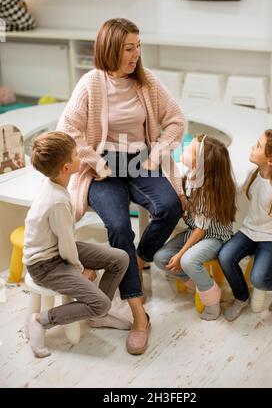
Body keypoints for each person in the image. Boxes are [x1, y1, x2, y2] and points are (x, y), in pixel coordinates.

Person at [57, 18, 185, 355]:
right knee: (118, 227)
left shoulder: (146, 81)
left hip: (141, 160)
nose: (136, 54)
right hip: (103, 167)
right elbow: (67, 129)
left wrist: (157, 154)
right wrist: (96, 163)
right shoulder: (90, 84)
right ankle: (138, 313)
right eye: (129, 48)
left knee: (170, 207)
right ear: (111, 48)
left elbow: (176, 120)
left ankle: (139, 257)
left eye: (138, 46)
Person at [23, 132, 130, 358]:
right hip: (45, 264)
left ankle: (96, 315)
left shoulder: (56, 185)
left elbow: (66, 241)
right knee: (101, 303)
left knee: (120, 258)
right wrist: (79, 270)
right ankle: (41, 320)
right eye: (75, 155)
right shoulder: (57, 201)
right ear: (65, 168)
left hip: (57, 250)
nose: (80, 156)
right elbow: (66, 246)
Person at [219, 129, 272, 321]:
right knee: (225, 256)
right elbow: (240, 190)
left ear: (270, 160)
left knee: (259, 279)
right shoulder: (253, 174)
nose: (252, 147)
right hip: (249, 231)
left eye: (257, 145)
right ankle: (241, 296)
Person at [154, 134, 236, 320]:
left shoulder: (207, 190)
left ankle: (212, 302)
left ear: (200, 164)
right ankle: (205, 285)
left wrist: (181, 253)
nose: (184, 148)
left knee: (187, 261)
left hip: (213, 237)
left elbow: (202, 229)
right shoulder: (191, 176)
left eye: (189, 149)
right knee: (160, 257)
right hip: (195, 232)